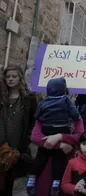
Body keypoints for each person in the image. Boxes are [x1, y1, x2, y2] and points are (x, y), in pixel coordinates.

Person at [26, 77, 80, 196]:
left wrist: (56, 134)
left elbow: (37, 116)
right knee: (58, 162)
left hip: (46, 134)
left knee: (40, 158)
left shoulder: (44, 102)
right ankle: (56, 184)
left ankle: (31, 178)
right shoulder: (66, 101)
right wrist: (61, 143)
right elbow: (75, 114)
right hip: (62, 133)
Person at [0, 65, 38, 196]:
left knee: (9, 182)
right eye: (8, 76)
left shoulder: (29, 99)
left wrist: (26, 141)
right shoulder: (1, 97)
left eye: (14, 76)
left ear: (20, 78)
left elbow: (34, 122)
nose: (10, 79)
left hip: (17, 147)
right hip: (0, 144)